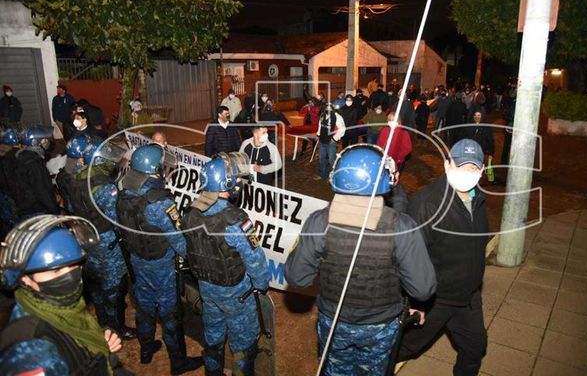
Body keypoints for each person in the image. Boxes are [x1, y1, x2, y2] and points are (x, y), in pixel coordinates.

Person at [284, 144, 436, 376]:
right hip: (381, 326)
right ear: (385, 179)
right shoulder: (402, 226)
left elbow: (297, 278)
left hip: (334, 322)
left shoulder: (318, 222)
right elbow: (423, 289)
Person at [396, 138, 490, 376]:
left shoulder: (478, 200)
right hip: (435, 299)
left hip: (468, 297)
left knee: (475, 347)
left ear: (481, 171)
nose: (467, 173)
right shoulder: (426, 204)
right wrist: (416, 303)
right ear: (448, 165)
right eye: (461, 167)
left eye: (473, 168)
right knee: (403, 348)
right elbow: (411, 258)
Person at [0, 215, 127, 376]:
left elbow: (71, 334)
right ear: (25, 279)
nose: (70, 276)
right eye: (56, 270)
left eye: (74, 265)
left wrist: (96, 341)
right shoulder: (32, 353)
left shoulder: (58, 305)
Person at [116, 144, 203, 374]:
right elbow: (179, 241)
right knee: (170, 313)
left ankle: (146, 350)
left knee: (144, 306)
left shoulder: (123, 191)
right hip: (162, 265)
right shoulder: (160, 202)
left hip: (137, 260)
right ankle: (178, 362)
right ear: (155, 170)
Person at [180, 152, 269, 376]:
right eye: (236, 178)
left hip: (207, 288)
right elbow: (255, 259)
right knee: (244, 343)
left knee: (213, 335)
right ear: (226, 183)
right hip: (236, 294)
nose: (239, 182)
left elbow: (186, 249)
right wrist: (261, 284)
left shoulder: (190, 213)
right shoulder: (236, 219)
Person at [57, 137, 136, 340]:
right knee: (114, 287)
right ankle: (116, 328)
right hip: (106, 242)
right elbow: (116, 220)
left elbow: (72, 210)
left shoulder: (76, 178)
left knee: (96, 284)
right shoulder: (105, 187)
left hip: (85, 237)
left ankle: (102, 322)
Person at [13, 127, 60, 218]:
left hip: (26, 206)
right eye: (44, 140)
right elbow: (42, 190)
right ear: (35, 142)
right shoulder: (33, 162)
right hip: (37, 209)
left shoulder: (23, 155)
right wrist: (55, 212)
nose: (47, 142)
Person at [315, 103, 345, 181]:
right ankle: (322, 175)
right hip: (322, 140)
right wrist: (318, 135)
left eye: (330, 108)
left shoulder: (337, 117)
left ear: (333, 108)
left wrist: (335, 138)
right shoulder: (322, 115)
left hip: (331, 142)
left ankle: (332, 176)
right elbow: (320, 126)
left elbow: (342, 129)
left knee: (331, 160)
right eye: (327, 108)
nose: (328, 109)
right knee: (322, 159)